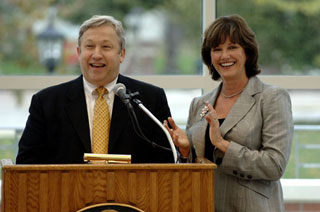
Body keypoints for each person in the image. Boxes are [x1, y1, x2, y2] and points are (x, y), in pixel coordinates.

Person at [164, 14, 293, 212]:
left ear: (247, 52)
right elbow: (197, 169)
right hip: (205, 205)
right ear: (210, 57)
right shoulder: (199, 104)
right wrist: (186, 150)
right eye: (217, 49)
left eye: (232, 47)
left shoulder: (271, 98)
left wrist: (223, 144)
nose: (224, 56)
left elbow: (274, 165)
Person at [16, 15, 174, 164]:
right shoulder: (46, 103)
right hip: (68, 192)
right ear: (79, 52)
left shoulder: (150, 100)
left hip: (133, 192)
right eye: (89, 46)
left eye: (106, 47)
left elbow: (168, 161)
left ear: (122, 54)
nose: (97, 54)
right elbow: (26, 163)